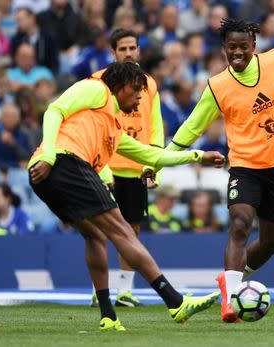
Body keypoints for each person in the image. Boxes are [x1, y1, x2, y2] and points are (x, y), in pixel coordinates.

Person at [28, 62, 224, 331]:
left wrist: (198, 156)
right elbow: (54, 110)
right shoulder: (97, 90)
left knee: (95, 236)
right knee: (123, 231)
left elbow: (153, 155)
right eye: (136, 90)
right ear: (120, 88)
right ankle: (175, 301)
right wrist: (49, 153)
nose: (140, 97)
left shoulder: (112, 129)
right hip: (62, 162)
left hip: (49, 177)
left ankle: (108, 316)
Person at [164, 18, 274, 323]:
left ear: (254, 45)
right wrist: (162, 161)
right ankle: (231, 298)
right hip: (244, 166)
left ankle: (230, 282)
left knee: (271, 242)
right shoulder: (218, 85)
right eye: (231, 47)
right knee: (240, 224)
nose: (237, 52)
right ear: (224, 49)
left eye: (243, 46)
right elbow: (192, 126)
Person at [90, 28, 165, 308]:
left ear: (139, 50)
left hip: (135, 168)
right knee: (98, 230)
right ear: (113, 53)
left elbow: (155, 128)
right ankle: (99, 292)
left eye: (132, 48)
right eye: (122, 49)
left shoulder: (150, 84)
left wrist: (153, 163)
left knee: (131, 229)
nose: (129, 53)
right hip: (103, 166)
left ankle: (124, 292)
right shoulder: (99, 81)